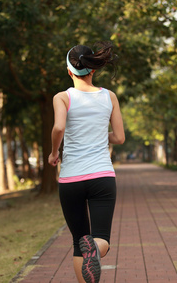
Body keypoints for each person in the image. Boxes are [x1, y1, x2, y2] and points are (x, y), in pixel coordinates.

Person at [48, 41, 125, 283]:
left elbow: (59, 127)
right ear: (93, 70)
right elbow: (120, 138)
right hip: (102, 176)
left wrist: (53, 153)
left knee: (78, 242)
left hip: (71, 178)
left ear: (69, 71)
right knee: (100, 238)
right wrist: (101, 135)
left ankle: (87, 248)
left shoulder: (62, 97)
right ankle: (96, 246)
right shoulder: (109, 96)